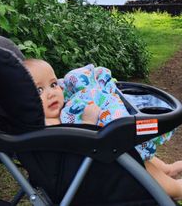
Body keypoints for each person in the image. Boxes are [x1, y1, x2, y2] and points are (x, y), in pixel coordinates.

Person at [23, 58, 182, 200]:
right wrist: (88, 121)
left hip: (95, 158)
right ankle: (176, 189)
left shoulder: (60, 111)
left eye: (53, 84)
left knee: (130, 149)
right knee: (131, 158)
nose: (51, 93)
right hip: (88, 170)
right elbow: (73, 145)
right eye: (39, 90)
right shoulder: (45, 126)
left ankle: (167, 169)